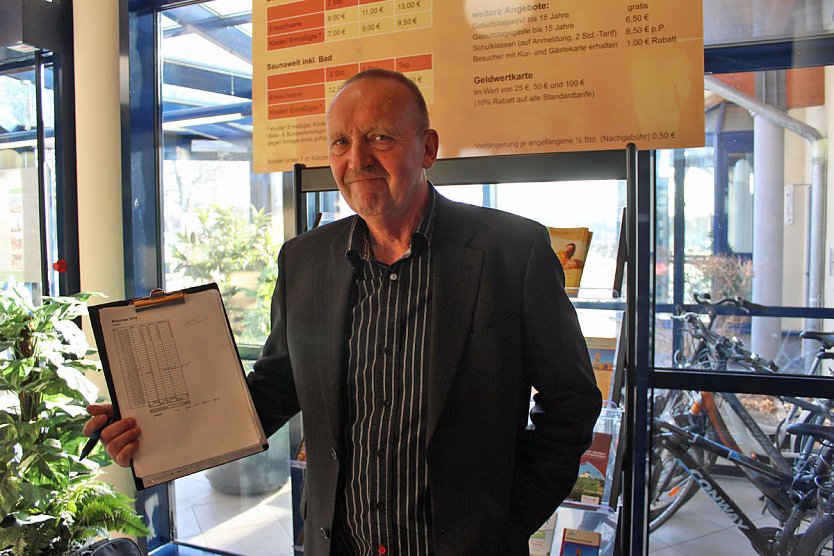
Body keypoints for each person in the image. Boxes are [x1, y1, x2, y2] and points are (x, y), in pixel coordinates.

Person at [85, 69, 601, 556]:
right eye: (340, 142)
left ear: (428, 149)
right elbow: (276, 386)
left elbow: (571, 401)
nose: (357, 158)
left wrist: (507, 517)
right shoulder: (305, 259)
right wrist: (156, 426)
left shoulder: (512, 250)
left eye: (380, 138)